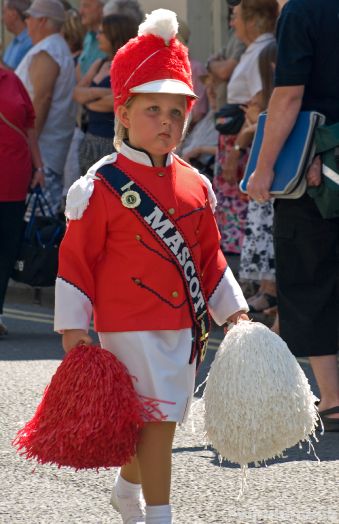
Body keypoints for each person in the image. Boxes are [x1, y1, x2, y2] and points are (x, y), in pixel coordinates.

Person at [54, 9, 249, 523]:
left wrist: (235, 313)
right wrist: (74, 330)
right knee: (158, 422)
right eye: (152, 109)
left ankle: (125, 490)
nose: (167, 122)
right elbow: (75, 260)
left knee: (160, 421)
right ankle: (158, 515)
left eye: (177, 112)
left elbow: (208, 258)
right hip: (127, 326)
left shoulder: (195, 184)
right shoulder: (98, 186)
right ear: (122, 113)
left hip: (185, 327)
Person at [247, 0, 339, 431]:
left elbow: (288, 94)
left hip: (317, 164)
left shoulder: (302, 11)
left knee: (311, 271)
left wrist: (264, 166)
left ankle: (334, 399)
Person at [213, 0, 278, 256]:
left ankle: (253, 278)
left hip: (244, 141)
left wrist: (237, 148)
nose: (232, 22)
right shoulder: (253, 51)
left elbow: (260, 107)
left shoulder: (261, 53)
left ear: (253, 20)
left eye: (236, 17)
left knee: (244, 210)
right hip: (236, 138)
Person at [16, 0, 77, 216]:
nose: (26, 22)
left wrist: (28, 146)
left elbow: (41, 100)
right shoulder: (52, 47)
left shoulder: (48, 50)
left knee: (35, 223)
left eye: (29, 17)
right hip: (46, 152)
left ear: (42, 21)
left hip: (42, 154)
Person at [0, 65, 44, 336]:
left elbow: (29, 125)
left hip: (14, 179)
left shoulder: (11, 79)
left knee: (6, 249)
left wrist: (38, 167)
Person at [238, 41, 278, 322]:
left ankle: (275, 299)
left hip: (271, 180)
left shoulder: (277, 97)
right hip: (274, 181)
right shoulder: (273, 96)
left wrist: (254, 123)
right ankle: (272, 297)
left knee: (272, 240)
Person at [74, 13, 138, 176]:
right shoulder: (100, 63)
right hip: (90, 140)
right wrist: (103, 93)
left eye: (102, 32)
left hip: (114, 144)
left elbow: (119, 102)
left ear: (115, 35)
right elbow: (76, 94)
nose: (98, 36)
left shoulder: (130, 67)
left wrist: (89, 98)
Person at [77, 0, 109, 78]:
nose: (80, 12)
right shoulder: (88, 36)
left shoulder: (111, 40)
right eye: (80, 6)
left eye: (86, 6)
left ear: (102, 9)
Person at [2, 0, 32, 69]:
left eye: (4, 12)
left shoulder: (30, 43)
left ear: (14, 14)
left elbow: (21, 78)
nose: (2, 19)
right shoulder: (13, 43)